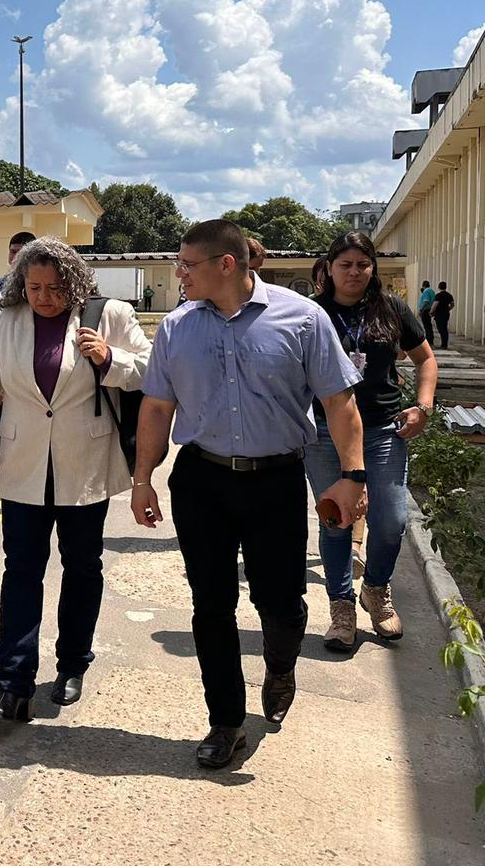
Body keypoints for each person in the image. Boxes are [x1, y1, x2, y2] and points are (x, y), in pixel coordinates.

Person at [132, 219, 366, 770]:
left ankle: (281, 665)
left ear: (226, 265)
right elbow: (156, 408)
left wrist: (353, 475)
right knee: (211, 605)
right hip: (201, 480)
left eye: (188, 265)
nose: (179, 274)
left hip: (277, 479)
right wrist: (143, 477)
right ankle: (226, 721)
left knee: (280, 602)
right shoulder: (175, 328)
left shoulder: (302, 318)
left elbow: (339, 403)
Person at [0, 238, 152, 721]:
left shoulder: (109, 315)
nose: (44, 297)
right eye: (34, 287)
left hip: (84, 464)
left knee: (82, 568)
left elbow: (152, 372)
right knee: (21, 570)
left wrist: (110, 358)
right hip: (24, 464)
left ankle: (72, 664)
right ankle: (14, 679)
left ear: (74, 283)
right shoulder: (4, 322)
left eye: (54, 288)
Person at [306, 232, 438, 651]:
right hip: (326, 433)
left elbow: (426, 359)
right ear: (329, 268)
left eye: (363, 265)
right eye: (345, 265)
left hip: (383, 430)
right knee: (336, 518)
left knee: (391, 520)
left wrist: (423, 405)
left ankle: (376, 589)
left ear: (373, 268)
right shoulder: (312, 314)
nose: (354, 273)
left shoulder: (392, 309)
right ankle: (341, 605)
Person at [431, 281, 455, 349]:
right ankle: (444, 344)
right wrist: (448, 309)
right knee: (444, 328)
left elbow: (435, 305)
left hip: (439, 314)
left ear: (439, 287)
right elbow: (452, 304)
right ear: (445, 287)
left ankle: (443, 344)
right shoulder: (449, 295)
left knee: (441, 329)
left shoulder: (438, 295)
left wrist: (431, 312)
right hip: (446, 314)